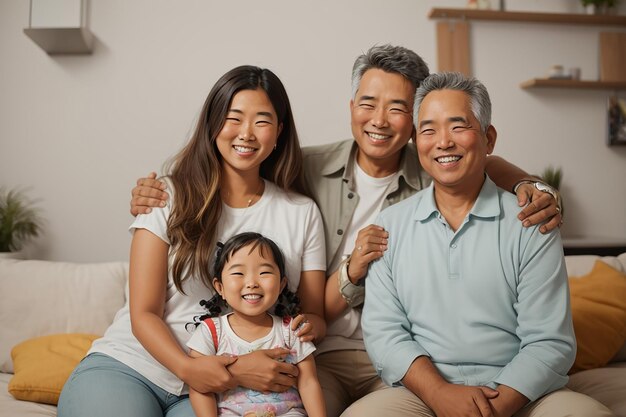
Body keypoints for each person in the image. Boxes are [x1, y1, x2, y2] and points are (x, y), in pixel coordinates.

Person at [129, 45, 563, 417]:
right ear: (351, 105)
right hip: (318, 353)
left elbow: (480, 156)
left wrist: (534, 186)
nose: (379, 120)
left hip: (395, 359)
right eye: (368, 103)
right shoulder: (304, 168)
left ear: (415, 120)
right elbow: (237, 161)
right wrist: (160, 191)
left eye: (398, 108)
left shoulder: (434, 164)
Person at [58, 65, 327, 417]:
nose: (246, 133)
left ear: (279, 132)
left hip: (228, 396)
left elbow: (313, 316)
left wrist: (305, 330)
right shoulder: (166, 196)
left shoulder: (301, 212)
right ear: (212, 124)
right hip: (133, 366)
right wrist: (191, 369)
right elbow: (143, 313)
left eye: (262, 121)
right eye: (234, 118)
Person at [359, 72, 613, 417]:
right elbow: (385, 333)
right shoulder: (390, 225)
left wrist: (496, 405)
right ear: (416, 141)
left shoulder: (531, 221)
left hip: (523, 392)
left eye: (458, 126)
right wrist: (440, 394)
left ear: (488, 138)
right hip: (423, 393)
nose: (443, 142)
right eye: (429, 130)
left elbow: (550, 341)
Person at [187, 232, 325, 417]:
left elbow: (308, 382)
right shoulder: (210, 332)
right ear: (220, 287)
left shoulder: (291, 330)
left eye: (264, 272)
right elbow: (200, 386)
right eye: (238, 273)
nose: (252, 283)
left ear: (282, 284)